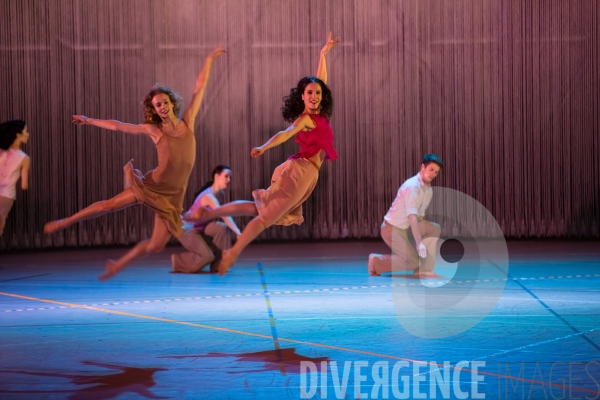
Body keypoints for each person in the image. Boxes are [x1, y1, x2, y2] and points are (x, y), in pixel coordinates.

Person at [44, 46, 226, 281]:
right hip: (152, 187)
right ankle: (64, 222)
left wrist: (209, 59)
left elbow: (199, 88)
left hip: (171, 198)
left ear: (171, 102)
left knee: (156, 246)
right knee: (110, 205)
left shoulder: (187, 122)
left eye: (164, 102)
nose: (161, 107)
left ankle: (116, 266)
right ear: (154, 110)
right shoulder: (154, 129)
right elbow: (119, 125)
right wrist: (89, 121)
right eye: (157, 105)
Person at [185, 33, 340, 276]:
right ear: (302, 96)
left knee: (257, 209)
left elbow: (321, 79)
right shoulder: (306, 119)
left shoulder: (320, 115)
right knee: (265, 218)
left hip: (307, 173)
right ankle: (231, 254)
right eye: (309, 93)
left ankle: (212, 213)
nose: (314, 96)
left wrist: (323, 53)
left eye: (317, 93)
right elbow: (284, 134)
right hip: (301, 172)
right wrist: (265, 147)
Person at [368, 154, 444, 277]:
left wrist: (424, 233)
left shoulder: (428, 190)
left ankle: (424, 269)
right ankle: (376, 262)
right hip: (391, 228)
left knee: (434, 228)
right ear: (423, 167)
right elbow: (412, 217)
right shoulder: (412, 186)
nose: (433, 174)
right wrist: (419, 243)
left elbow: (419, 218)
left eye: (436, 172)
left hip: (406, 227)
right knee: (413, 261)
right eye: (431, 170)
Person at [172, 165, 241, 273]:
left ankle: (218, 265)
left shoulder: (220, 193)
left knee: (222, 228)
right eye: (226, 176)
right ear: (216, 176)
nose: (229, 180)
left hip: (201, 227)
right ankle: (178, 261)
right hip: (187, 230)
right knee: (207, 256)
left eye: (230, 177)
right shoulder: (209, 196)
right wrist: (237, 231)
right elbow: (224, 214)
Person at [0, 120, 30, 236]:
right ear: (18, 135)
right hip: (7, 194)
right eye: (26, 132)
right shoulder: (24, 158)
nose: (28, 134)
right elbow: (24, 185)